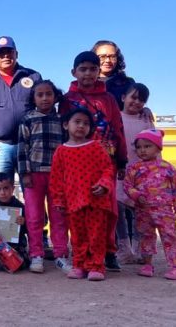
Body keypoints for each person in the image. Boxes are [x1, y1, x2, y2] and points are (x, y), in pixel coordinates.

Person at [59, 51, 127, 272]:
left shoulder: (108, 99)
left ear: (99, 72)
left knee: (107, 210)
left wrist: (122, 160)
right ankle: (82, 254)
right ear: (74, 72)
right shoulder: (67, 100)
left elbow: (118, 129)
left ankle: (108, 252)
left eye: (92, 69)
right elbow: (63, 130)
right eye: (83, 69)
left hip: (104, 162)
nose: (88, 73)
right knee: (78, 210)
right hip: (76, 163)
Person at [50, 108, 115, 281]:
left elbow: (108, 169)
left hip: (97, 201)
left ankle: (96, 267)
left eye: (86, 123)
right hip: (73, 202)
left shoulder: (96, 147)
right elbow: (56, 178)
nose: (81, 126)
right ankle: (79, 265)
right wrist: (58, 200)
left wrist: (104, 185)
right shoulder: (61, 151)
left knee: (96, 235)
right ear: (66, 125)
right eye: (77, 122)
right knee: (77, 236)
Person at [16, 80, 70, 273]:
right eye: (40, 95)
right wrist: (24, 173)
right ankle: (36, 255)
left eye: (48, 94)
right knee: (34, 216)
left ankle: (61, 254)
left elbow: (68, 148)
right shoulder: (27, 119)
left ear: (55, 96)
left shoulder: (62, 120)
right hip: (34, 174)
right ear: (34, 98)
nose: (45, 98)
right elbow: (22, 148)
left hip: (57, 176)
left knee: (59, 216)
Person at [0, 36, 42, 177]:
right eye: (0, 53)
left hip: (29, 145)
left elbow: (44, 108)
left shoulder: (33, 77)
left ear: (16, 53)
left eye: (9, 52)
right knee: (1, 188)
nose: (5, 56)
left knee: (31, 188)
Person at [123, 129, 176, 280]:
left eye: (147, 146)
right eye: (139, 147)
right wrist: (136, 195)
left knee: (170, 236)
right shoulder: (134, 168)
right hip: (143, 211)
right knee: (145, 236)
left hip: (164, 210)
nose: (142, 150)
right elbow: (127, 185)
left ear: (158, 148)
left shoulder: (168, 168)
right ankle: (147, 265)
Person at [115, 83, 155, 264]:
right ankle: (124, 249)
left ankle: (139, 249)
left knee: (141, 212)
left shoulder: (146, 121)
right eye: (134, 97)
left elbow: (155, 147)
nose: (137, 102)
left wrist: (155, 170)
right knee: (117, 209)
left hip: (142, 174)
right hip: (120, 172)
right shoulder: (115, 118)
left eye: (142, 100)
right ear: (123, 97)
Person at [91, 40, 135, 107]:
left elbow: (136, 104)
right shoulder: (86, 82)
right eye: (102, 57)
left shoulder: (128, 82)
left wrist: (145, 110)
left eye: (112, 56)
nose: (108, 60)